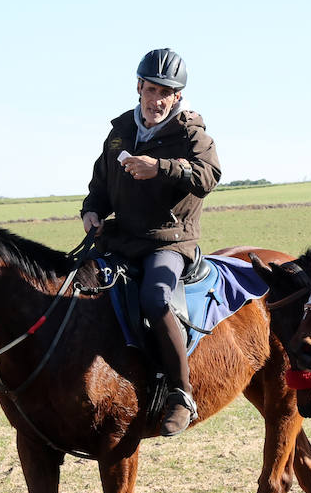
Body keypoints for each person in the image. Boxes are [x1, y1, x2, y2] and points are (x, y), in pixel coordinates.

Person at [80, 48, 221, 437]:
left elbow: (209, 176)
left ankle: (181, 393)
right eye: (151, 89)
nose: (156, 100)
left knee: (156, 298)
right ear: (138, 86)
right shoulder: (120, 132)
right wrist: (91, 210)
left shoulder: (192, 133)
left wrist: (158, 168)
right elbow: (100, 186)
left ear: (176, 96)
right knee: (75, 287)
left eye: (166, 92)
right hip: (121, 238)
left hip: (170, 241)